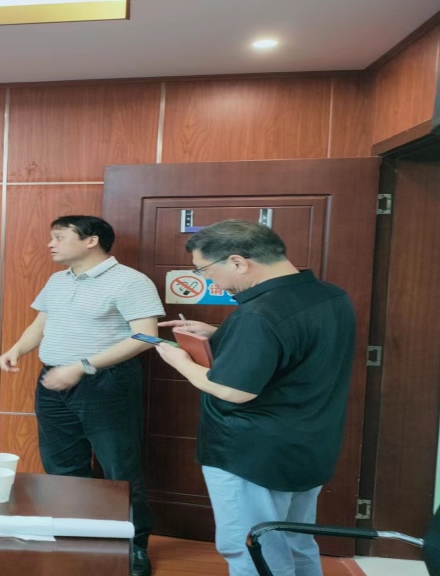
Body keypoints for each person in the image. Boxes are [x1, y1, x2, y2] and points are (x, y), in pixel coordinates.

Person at [152, 219, 356, 576]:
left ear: (238, 262)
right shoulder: (329, 295)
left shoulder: (259, 314)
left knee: (254, 550)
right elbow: (295, 345)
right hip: (310, 443)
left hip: (251, 454)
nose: (208, 279)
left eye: (204, 270)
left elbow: (233, 390)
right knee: (296, 542)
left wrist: (180, 361)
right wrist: (222, 333)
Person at [0, 215, 164, 576]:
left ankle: (134, 546)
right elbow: (43, 322)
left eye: (59, 237)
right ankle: (79, 534)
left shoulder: (131, 281)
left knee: (119, 468)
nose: (51, 244)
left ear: (91, 241)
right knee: (61, 465)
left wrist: (83, 366)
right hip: (53, 379)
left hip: (107, 382)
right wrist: (17, 349)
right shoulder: (58, 280)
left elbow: (146, 336)